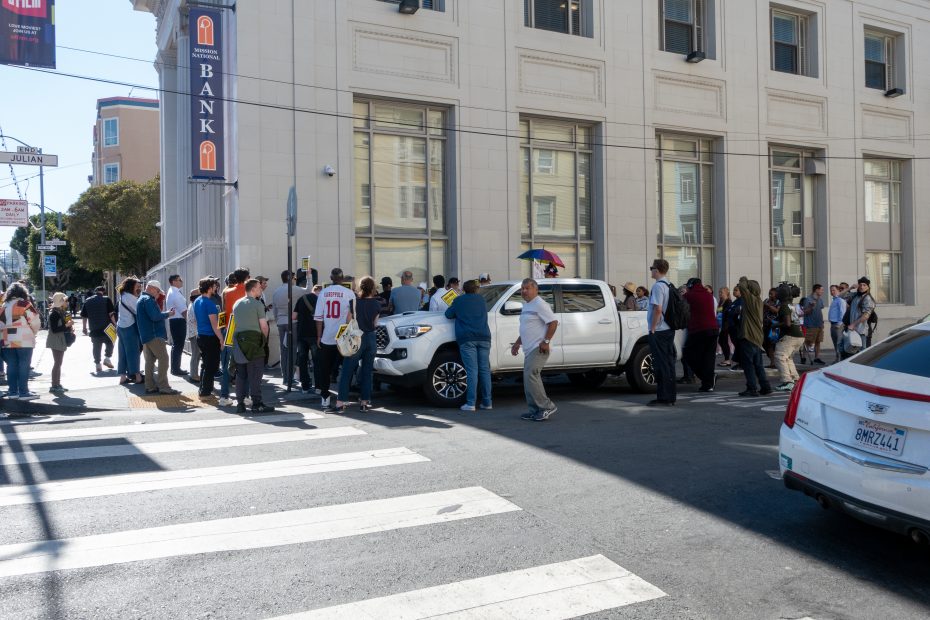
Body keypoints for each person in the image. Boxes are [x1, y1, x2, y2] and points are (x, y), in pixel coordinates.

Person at [330, 276, 381, 413]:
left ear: (360, 287)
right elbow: (375, 324)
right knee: (366, 371)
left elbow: (348, 323)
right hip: (371, 339)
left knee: (347, 371)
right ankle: (364, 402)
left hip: (356, 338)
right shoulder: (377, 304)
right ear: (373, 288)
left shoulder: (354, 302)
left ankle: (340, 403)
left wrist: (339, 337)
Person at [510, 278, 558, 421]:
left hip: (539, 348)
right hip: (529, 349)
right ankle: (534, 410)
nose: (524, 291)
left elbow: (553, 323)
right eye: (522, 288)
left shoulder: (540, 304)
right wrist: (517, 343)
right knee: (528, 379)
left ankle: (546, 406)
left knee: (532, 375)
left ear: (536, 290)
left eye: (527, 288)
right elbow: (526, 328)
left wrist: (546, 341)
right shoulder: (527, 305)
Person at [445, 279, 492, 412]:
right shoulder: (482, 300)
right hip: (484, 337)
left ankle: (471, 403)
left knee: (472, 371)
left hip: (467, 338)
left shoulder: (459, 300)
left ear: (464, 289)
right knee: (484, 370)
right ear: (476, 289)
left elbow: (448, 314)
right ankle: (487, 402)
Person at [314, 268, 355, 407]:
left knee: (325, 368)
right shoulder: (349, 293)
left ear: (331, 277)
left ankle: (325, 396)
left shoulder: (324, 293)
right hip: (343, 336)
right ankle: (343, 396)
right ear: (343, 278)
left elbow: (318, 317)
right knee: (346, 368)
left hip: (328, 336)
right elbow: (352, 317)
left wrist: (319, 335)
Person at [232, 279, 274, 413]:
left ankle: (240, 404)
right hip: (254, 341)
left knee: (241, 374)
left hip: (239, 341)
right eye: (259, 287)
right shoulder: (257, 304)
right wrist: (264, 341)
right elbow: (263, 326)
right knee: (255, 374)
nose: (261, 289)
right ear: (253, 289)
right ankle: (257, 403)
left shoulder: (237, 304)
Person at [136, 280, 180, 395]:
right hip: (154, 334)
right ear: (151, 288)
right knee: (164, 359)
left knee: (149, 362)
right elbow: (155, 317)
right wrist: (168, 314)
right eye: (157, 291)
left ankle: (150, 386)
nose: (158, 293)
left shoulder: (141, 299)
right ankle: (163, 386)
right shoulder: (148, 300)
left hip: (146, 335)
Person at [0, 283, 41, 400]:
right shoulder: (25, 304)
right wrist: (33, 332)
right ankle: (24, 392)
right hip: (24, 339)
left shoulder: (3, 306)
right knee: (24, 365)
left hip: (7, 339)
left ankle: (13, 392)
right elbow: (35, 321)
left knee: (11, 365)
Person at [735, 276, 772, 397]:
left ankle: (751, 388)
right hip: (757, 337)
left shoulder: (751, 299)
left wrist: (743, 279)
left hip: (749, 336)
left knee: (748, 364)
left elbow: (742, 287)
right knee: (758, 365)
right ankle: (765, 387)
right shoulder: (758, 301)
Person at [647, 259, 676, 406]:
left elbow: (658, 309)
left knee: (661, 364)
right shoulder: (668, 285)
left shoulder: (658, 286)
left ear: (657, 270)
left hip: (659, 330)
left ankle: (663, 397)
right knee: (669, 363)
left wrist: (652, 328)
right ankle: (670, 396)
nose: (650, 270)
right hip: (668, 329)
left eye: (651, 268)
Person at [219, 267, 250, 406]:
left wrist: (222, 331)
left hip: (229, 327)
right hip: (244, 328)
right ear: (247, 277)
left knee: (226, 364)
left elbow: (223, 312)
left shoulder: (227, 292)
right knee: (246, 363)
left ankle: (224, 396)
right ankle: (245, 396)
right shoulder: (248, 291)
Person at [683, 278, 718, 392]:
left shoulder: (689, 296)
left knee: (689, 354)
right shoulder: (709, 295)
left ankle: (707, 378)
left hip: (699, 329)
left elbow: (683, 310)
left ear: (690, 285)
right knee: (709, 357)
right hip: (713, 329)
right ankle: (707, 384)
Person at [272, 269, 306, 387]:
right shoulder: (295, 289)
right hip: (293, 322)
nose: (295, 280)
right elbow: (309, 290)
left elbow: (275, 310)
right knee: (292, 350)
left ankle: (285, 377)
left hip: (281, 322)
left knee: (283, 350)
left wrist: (277, 320)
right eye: (294, 278)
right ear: (290, 278)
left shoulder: (276, 291)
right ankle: (290, 377)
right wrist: (310, 277)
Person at [194, 276, 223, 398]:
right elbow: (215, 324)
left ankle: (204, 389)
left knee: (205, 364)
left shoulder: (197, 301)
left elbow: (196, 320)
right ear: (210, 288)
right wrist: (221, 339)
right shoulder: (210, 304)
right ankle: (205, 391)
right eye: (214, 285)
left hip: (201, 335)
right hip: (210, 337)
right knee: (211, 365)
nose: (216, 287)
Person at [773, 285, 805, 391]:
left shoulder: (784, 306)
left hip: (790, 335)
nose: (775, 293)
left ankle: (787, 381)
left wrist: (775, 325)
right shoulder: (791, 305)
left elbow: (787, 323)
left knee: (779, 356)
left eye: (777, 291)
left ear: (782, 294)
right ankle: (795, 380)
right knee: (788, 358)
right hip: (799, 335)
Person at [81, 285, 116, 373]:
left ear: (95, 291)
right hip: (107, 328)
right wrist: (115, 324)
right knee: (111, 342)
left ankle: (97, 364)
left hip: (94, 328)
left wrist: (84, 327)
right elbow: (111, 314)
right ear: (103, 292)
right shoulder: (107, 299)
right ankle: (107, 358)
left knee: (96, 346)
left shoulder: (87, 301)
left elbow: (84, 316)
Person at [116, 277, 144, 385]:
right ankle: (137, 376)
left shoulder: (123, 296)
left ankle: (123, 377)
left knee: (122, 353)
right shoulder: (130, 297)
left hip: (121, 327)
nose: (139, 288)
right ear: (131, 286)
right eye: (137, 286)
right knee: (133, 352)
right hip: (129, 327)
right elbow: (139, 311)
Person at [46, 292, 75, 394]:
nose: (67, 302)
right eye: (65, 300)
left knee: (59, 363)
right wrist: (67, 325)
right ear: (60, 301)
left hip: (59, 339)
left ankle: (57, 384)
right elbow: (54, 329)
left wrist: (69, 326)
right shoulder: (55, 313)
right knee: (57, 363)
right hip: (56, 340)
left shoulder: (60, 312)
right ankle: (54, 385)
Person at [293, 284, 319, 393]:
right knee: (317, 360)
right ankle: (318, 386)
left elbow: (293, 316)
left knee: (302, 360)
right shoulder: (320, 300)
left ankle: (305, 386)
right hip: (314, 334)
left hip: (301, 333)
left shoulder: (301, 299)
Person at [165, 274, 188, 376]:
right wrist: (191, 322)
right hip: (178, 320)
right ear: (174, 282)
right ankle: (176, 368)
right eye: (180, 280)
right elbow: (184, 311)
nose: (181, 281)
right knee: (178, 345)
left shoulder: (173, 292)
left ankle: (175, 368)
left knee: (177, 345)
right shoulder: (175, 293)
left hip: (175, 320)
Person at [846, 276, 876, 349]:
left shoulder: (868, 299)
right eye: (860, 285)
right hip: (853, 331)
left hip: (861, 331)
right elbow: (839, 296)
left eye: (864, 285)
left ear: (868, 287)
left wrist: (853, 324)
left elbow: (866, 316)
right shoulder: (855, 295)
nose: (862, 287)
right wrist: (850, 288)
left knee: (862, 354)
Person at [801, 284, 826, 365]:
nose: (822, 291)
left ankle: (817, 358)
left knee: (818, 341)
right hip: (810, 324)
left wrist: (822, 322)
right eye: (821, 290)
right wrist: (811, 307)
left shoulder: (820, 299)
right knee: (808, 342)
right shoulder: (808, 299)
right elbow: (805, 312)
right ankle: (804, 357)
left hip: (819, 324)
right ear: (816, 290)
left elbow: (820, 311)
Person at [724, 285, 743, 371]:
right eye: (734, 290)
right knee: (736, 344)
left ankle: (740, 363)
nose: (734, 292)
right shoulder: (735, 301)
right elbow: (728, 310)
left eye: (736, 290)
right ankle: (739, 362)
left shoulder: (742, 301)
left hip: (736, 326)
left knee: (738, 345)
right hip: (731, 326)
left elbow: (736, 312)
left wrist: (731, 311)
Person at [827, 284, 847, 362]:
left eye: (834, 290)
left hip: (837, 325)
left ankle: (839, 360)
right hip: (833, 324)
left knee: (839, 344)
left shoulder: (840, 300)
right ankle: (837, 358)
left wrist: (839, 324)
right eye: (831, 290)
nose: (832, 292)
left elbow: (842, 312)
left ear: (838, 290)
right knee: (835, 343)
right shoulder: (835, 300)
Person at [186, 288, 202, 382]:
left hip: (193, 333)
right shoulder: (195, 306)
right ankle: (194, 375)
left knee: (195, 355)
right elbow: (197, 320)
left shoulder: (191, 305)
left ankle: (194, 374)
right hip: (195, 333)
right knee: (195, 355)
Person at [762, 288, 780, 368]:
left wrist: (768, 306)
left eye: (771, 294)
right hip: (765, 325)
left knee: (772, 344)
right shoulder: (766, 300)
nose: (770, 295)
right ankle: (773, 360)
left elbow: (777, 311)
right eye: (769, 293)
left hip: (773, 326)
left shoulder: (778, 302)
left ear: (776, 294)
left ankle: (773, 362)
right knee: (764, 343)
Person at [716, 287, 733, 367]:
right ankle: (727, 359)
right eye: (719, 292)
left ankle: (727, 360)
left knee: (723, 341)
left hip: (725, 325)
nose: (720, 294)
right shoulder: (721, 302)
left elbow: (727, 314)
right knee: (721, 341)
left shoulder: (728, 302)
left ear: (726, 293)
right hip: (721, 325)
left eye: (721, 292)